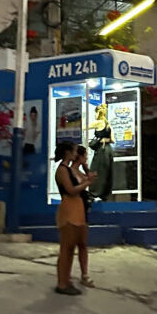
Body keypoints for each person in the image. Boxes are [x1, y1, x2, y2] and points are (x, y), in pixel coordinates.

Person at [55, 141, 97, 295]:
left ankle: (66, 280)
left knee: (72, 247)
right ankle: (62, 283)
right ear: (67, 152)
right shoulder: (62, 170)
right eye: (73, 151)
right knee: (66, 248)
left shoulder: (68, 169)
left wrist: (87, 178)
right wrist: (87, 182)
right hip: (69, 208)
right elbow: (71, 190)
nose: (75, 154)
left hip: (77, 208)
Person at [88, 104, 114, 201]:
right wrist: (104, 139)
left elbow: (83, 127)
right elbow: (112, 140)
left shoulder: (99, 123)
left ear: (98, 113)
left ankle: (95, 193)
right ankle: (104, 194)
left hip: (101, 150)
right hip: (109, 150)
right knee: (106, 172)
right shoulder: (108, 125)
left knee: (97, 170)